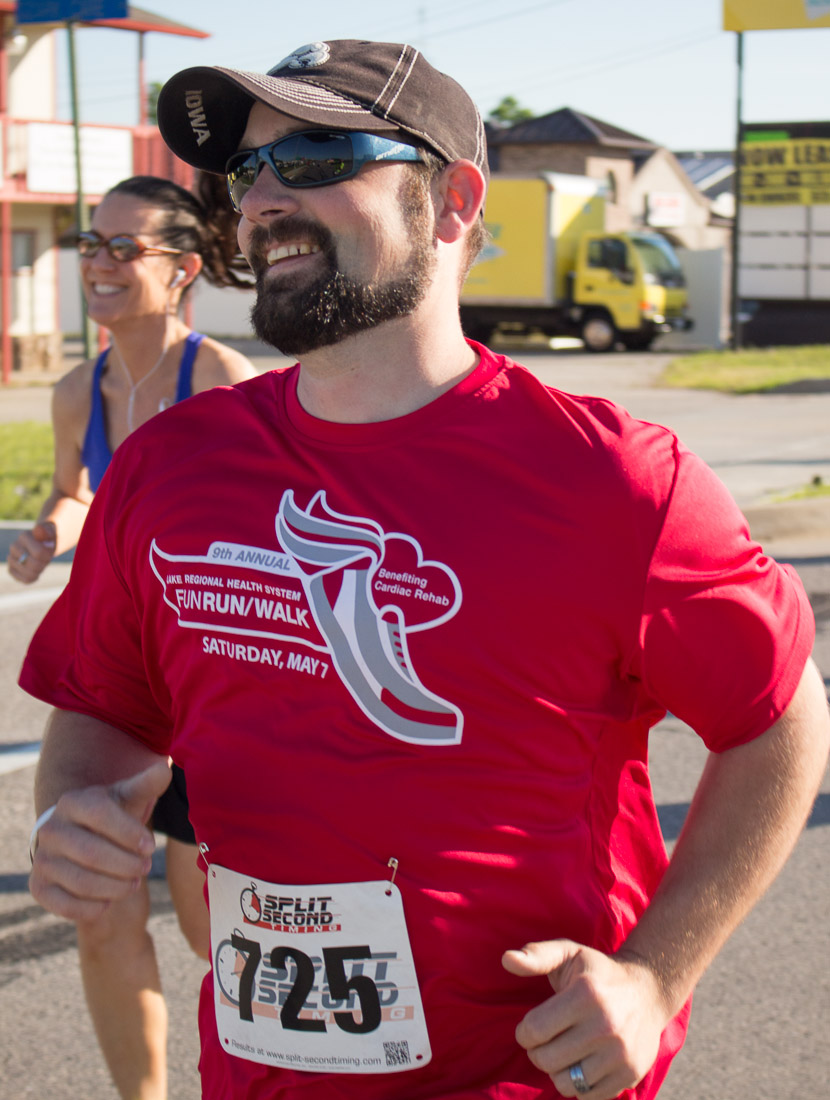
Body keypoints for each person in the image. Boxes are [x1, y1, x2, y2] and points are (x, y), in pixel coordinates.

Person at [21, 40, 829, 1100]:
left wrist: (654, 975)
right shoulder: (171, 466)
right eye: (247, 170)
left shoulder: (615, 482)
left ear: (452, 202)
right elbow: (102, 705)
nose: (260, 199)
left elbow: (778, 720)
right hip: (258, 1075)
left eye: (315, 157)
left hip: (527, 1071)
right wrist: (68, 815)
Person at [11, 174, 256, 1100]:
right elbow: (76, 492)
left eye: (124, 247)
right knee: (98, 906)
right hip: (111, 681)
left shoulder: (225, 385)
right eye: (90, 244)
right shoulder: (79, 388)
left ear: (182, 270)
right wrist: (49, 531)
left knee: (209, 931)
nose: (99, 264)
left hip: (207, 685)